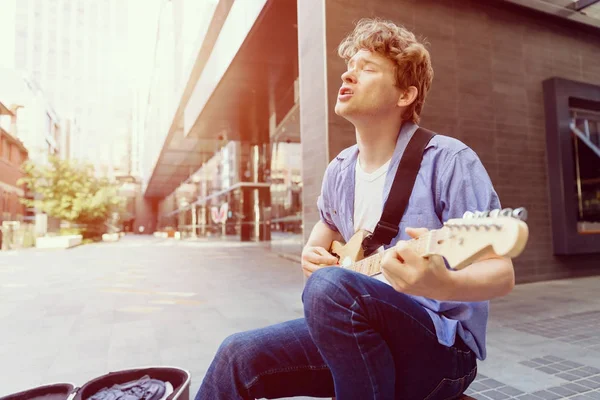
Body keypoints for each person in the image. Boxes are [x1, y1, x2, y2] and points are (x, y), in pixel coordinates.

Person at [195, 18, 515, 400]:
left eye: (368, 68)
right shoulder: (340, 170)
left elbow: (502, 273)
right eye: (349, 67)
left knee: (332, 288)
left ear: (405, 96)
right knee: (238, 354)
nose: (348, 76)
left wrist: (440, 283)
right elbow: (327, 225)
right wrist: (312, 254)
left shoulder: (450, 161)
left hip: (442, 350)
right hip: (356, 330)